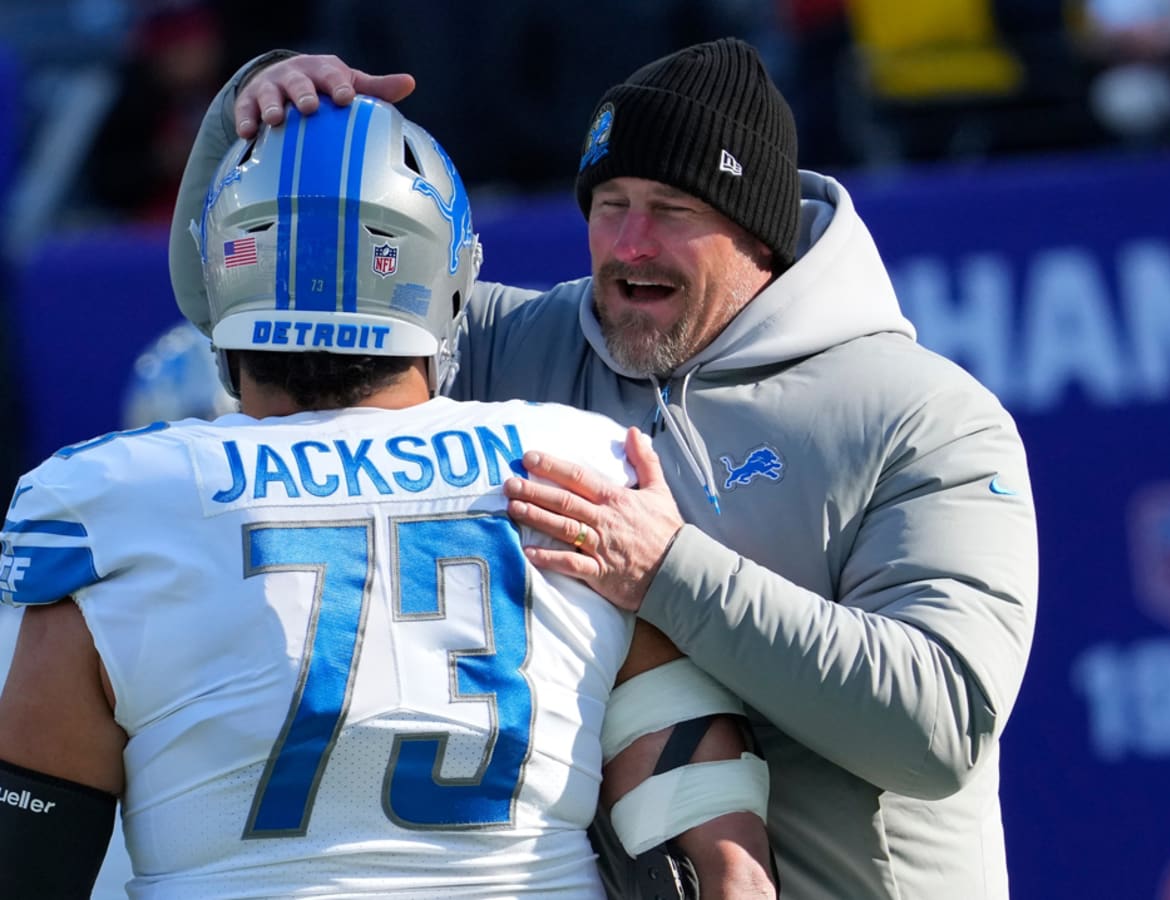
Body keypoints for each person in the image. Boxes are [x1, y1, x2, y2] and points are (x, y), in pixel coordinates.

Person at [169, 37, 1039, 900]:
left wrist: (667, 571)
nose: (628, 245)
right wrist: (258, 116)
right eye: (609, 202)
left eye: (673, 208)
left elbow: (939, 727)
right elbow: (255, 310)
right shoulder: (517, 346)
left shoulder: (926, 415)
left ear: (761, 233)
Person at [0, 96, 776, 898]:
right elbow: (722, 869)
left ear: (220, 273)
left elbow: (28, 857)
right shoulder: (580, 465)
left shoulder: (108, 504)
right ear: (448, 278)